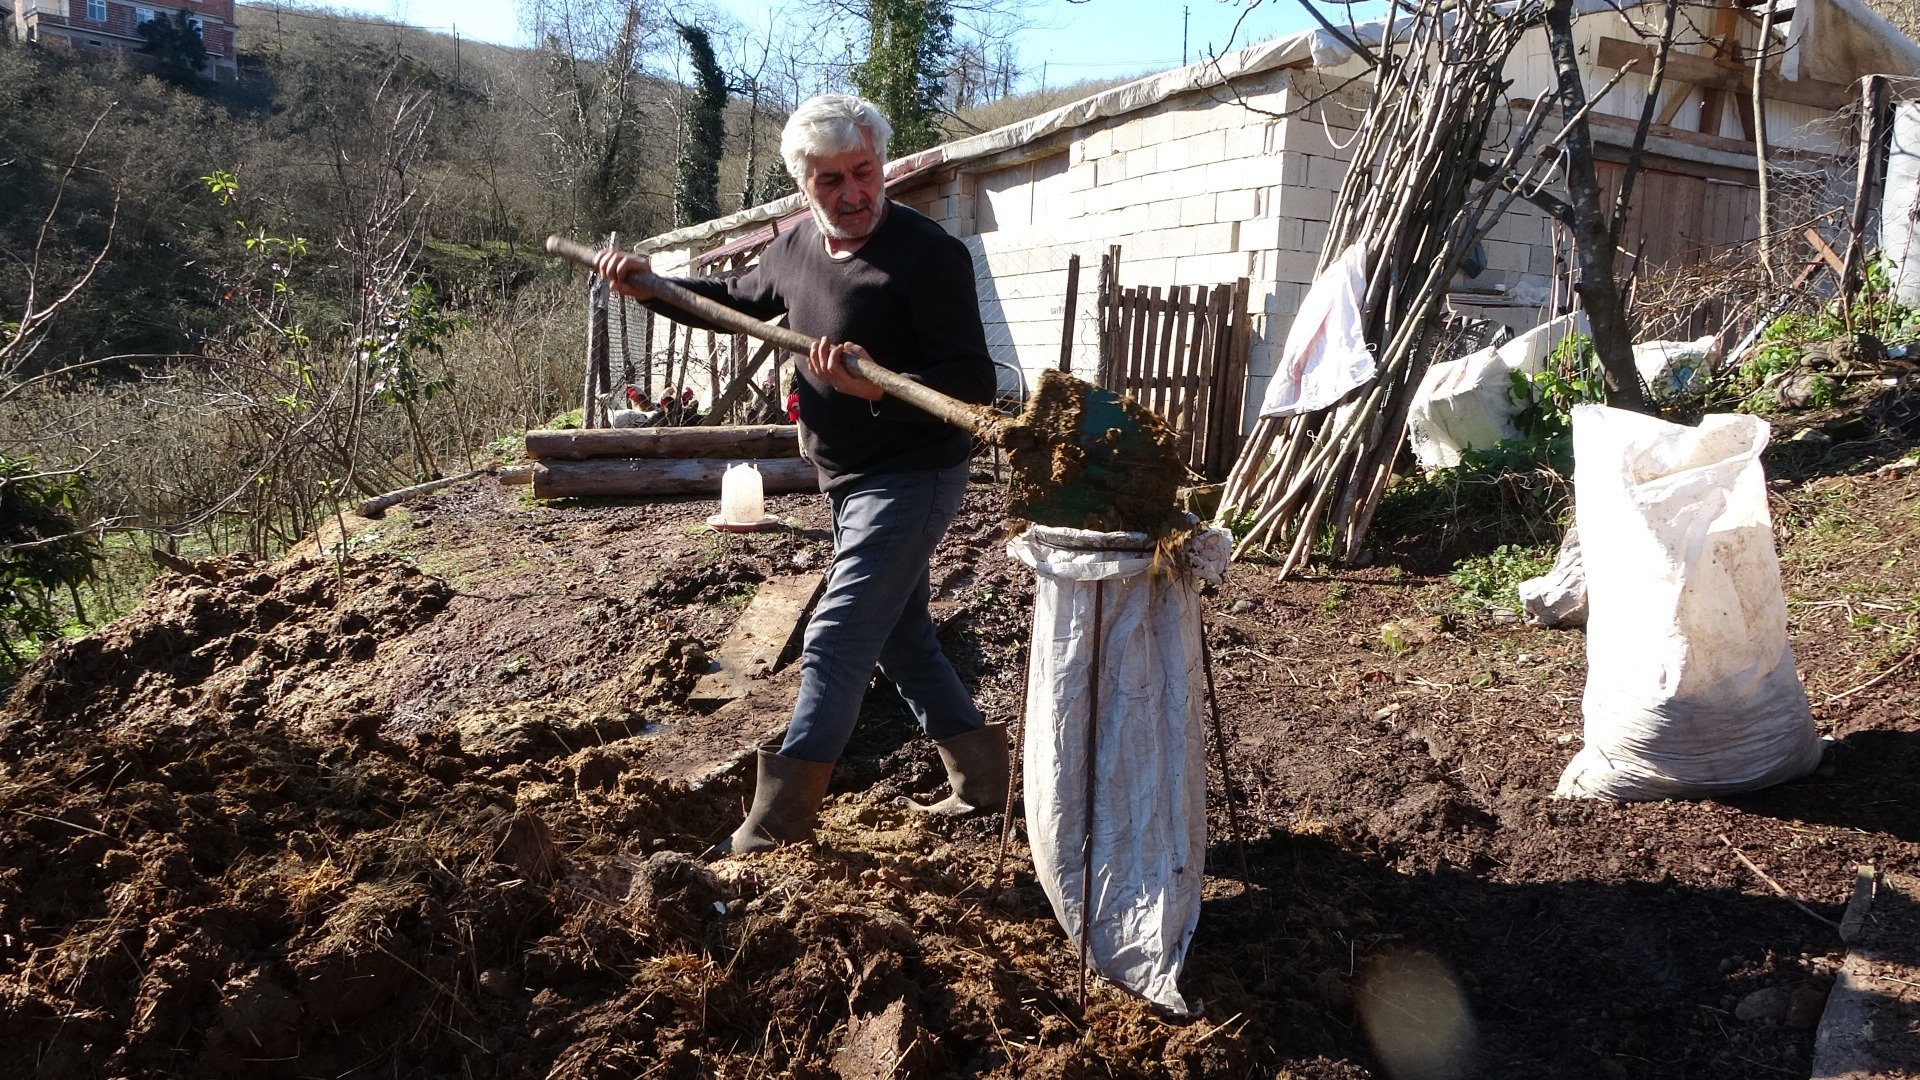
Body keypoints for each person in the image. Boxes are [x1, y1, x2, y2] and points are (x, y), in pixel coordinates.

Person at [592, 94, 1006, 855]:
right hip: (845, 477)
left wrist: (874, 386)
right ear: (801, 184)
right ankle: (983, 784)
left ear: (881, 167)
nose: (852, 194)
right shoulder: (792, 249)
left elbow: (973, 388)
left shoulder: (929, 255)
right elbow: (731, 304)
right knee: (904, 636)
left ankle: (775, 827)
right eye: (830, 181)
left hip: (914, 474)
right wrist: (650, 286)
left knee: (838, 632)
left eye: (864, 172)